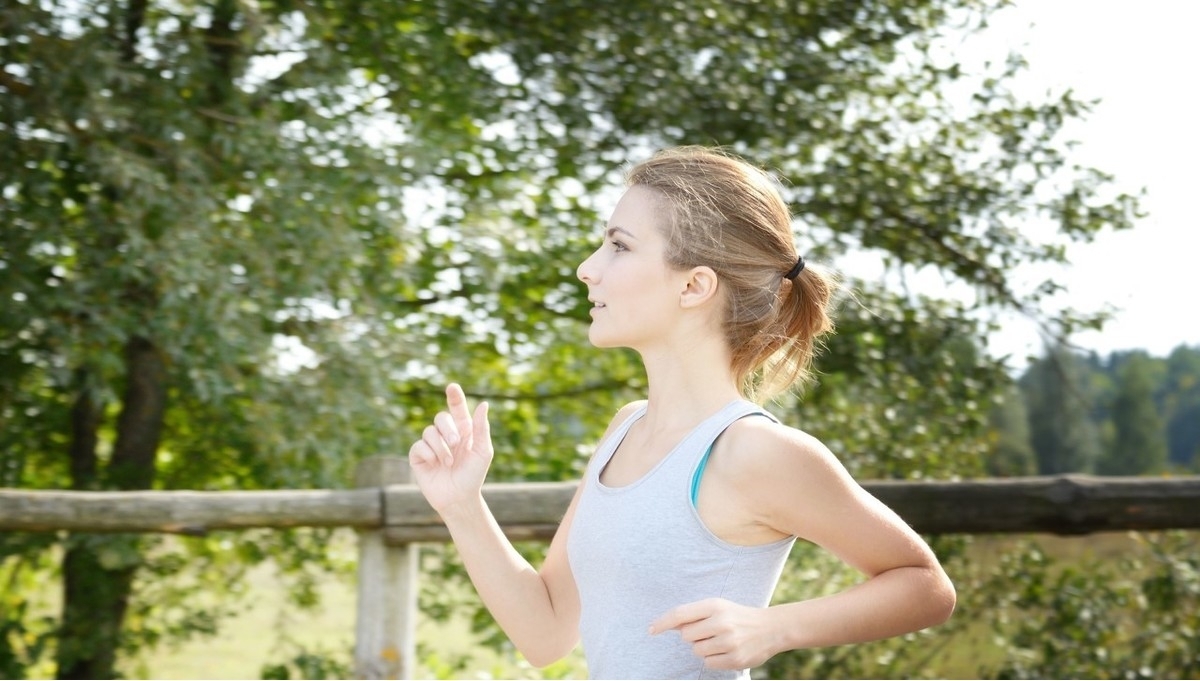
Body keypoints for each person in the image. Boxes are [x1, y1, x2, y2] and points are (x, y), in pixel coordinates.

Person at [408, 146, 956, 680]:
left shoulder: (755, 452)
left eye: (619, 246)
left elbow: (924, 585)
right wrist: (461, 505)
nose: (586, 269)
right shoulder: (625, 430)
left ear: (694, 285)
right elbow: (546, 633)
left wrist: (776, 627)